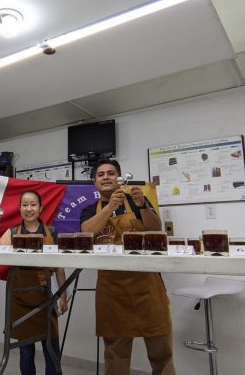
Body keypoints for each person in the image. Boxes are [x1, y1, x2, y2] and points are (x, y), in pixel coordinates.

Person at [80, 159, 175, 375]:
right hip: (112, 290)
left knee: (161, 350)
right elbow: (86, 232)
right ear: (95, 182)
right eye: (101, 174)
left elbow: (155, 228)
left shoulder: (137, 201)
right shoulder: (89, 210)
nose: (106, 177)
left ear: (119, 178)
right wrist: (110, 207)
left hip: (147, 286)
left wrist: (142, 206)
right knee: (116, 353)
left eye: (111, 173)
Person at [0, 190, 68, 375]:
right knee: (26, 351)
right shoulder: (11, 233)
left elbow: (59, 266)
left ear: (41, 208)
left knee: (52, 346)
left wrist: (63, 296)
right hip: (20, 297)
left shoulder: (51, 232)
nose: (29, 208)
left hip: (46, 296)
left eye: (33, 204)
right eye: (25, 205)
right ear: (19, 209)